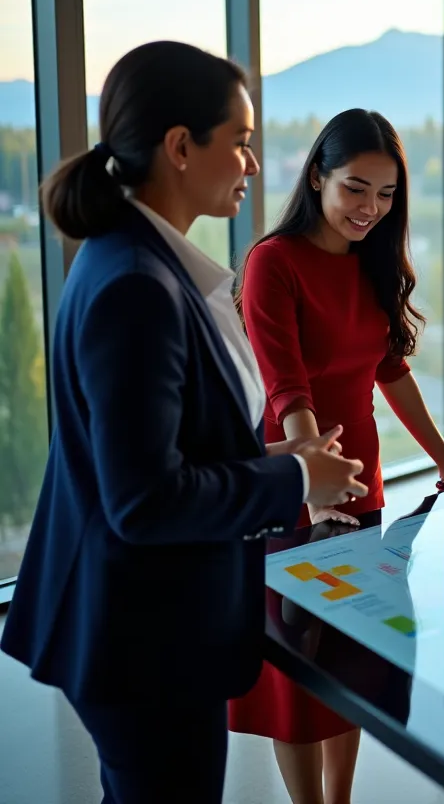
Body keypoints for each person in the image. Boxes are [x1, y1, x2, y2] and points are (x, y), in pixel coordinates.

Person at [0, 42, 367, 804]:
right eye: (239, 141)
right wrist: (296, 476)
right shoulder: (138, 286)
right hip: (144, 640)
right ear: (178, 147)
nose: (253, 165)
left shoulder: (132, 262)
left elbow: (157, 451)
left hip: (141, 625)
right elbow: (145, 499)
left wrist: (277, 458)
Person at [228, 108, 444, 804]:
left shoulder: (373, 264)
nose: (370, 209)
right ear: (317, 178)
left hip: (362, 493)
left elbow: (391, 370)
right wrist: (313, 475)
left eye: (386, 194)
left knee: (352, 666)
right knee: (297, 672)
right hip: (292, 492)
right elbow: (288, 389)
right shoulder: (271, 264)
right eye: (355, 188)